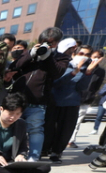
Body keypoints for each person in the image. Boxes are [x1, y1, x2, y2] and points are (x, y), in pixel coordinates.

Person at [10, 27, 69, 161]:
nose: (46, 45)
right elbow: (14, 66)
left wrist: (47, 57)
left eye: (50, 43)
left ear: (57, 43)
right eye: (43, 42)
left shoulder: (61, 57)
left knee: (35, 129)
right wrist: (30, 53)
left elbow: (57, 73)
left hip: (37, 101)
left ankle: (33, 159)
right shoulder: (29, 54)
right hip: (16, 98)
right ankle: (11, 155)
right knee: (11, 128)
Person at [43, 42, 102, 163]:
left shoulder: (87, 69)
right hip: (55, 101)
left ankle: (56, 152)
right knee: (49, 128)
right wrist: (74, 72)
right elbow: (56, 84)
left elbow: (82, 88)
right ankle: (44, 149)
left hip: (72, 103)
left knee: (65, 130)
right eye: (81, 53)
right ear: (74, 53)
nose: (84, 56)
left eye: (87, 55)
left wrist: (88, 73)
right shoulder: (63, 65)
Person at [69, 50, 105, 146]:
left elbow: (97, 86)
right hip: (74, 96)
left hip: (86, 99)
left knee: (78, 121)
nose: (96, 59)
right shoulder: (81, 65)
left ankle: (71, 140)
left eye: (98, 57)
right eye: (94, 56)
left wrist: (92, 96)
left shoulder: (101, 71)